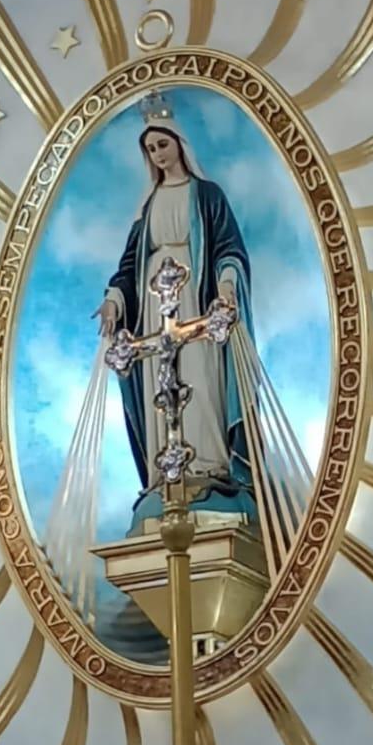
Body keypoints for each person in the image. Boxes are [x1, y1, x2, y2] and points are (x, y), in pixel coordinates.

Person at [97, 92, 256, 526]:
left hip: (195, 300)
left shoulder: (206, 194)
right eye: (150, 149)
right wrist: (114, 299)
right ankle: (166, 470)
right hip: (155, 307)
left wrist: (225, 287)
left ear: (179, 143)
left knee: (200, 380)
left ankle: (208, 466)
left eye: (162, 144)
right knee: (161, 383)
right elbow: (130, 263)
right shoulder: (147, 207)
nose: (157, 154)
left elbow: (228, 248)